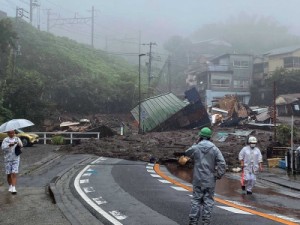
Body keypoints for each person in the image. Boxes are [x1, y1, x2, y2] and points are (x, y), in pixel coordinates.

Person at [184, 127, 226, 225]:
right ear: (210, 137)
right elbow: (222, 163)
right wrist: (218, 175)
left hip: (198, 179)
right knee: (208, 201)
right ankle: (205, 221)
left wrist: (196, 143)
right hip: (210, 180)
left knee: (196, 200)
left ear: (200, 136)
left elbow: (187, 153)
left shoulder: (196, 147)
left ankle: (193, 221)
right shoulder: (215, 149)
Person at [1, 130, 23, 194]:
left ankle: (14, 188)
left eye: (13, 133)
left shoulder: (17, 138)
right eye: (10, 133)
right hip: (7, 159)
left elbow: (21, 146)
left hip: (16, 158)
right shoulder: (5, 140)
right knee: (8, 174)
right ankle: (10, 185)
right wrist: (9, 145)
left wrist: (19, 144)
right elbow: (3, 148)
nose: (12, 134)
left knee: (14, 173)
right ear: (8, 133)